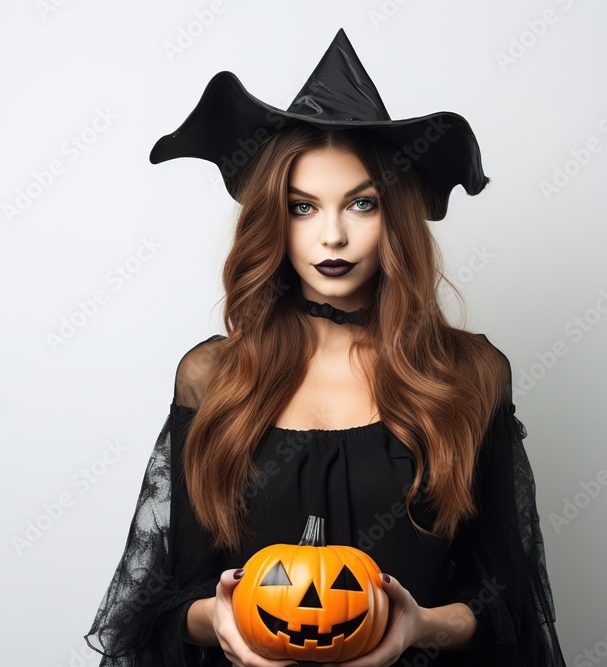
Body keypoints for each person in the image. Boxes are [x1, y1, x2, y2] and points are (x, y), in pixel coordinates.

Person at [84, 28, 567, 666]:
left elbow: (505, 600)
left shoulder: (469, 375)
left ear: (394, 217)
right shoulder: (213, 376)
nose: (333, 235)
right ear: (273, 219)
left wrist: (418, 626)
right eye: (303, 207)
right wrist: (221, 619)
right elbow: (164, 599)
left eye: (360, 204)